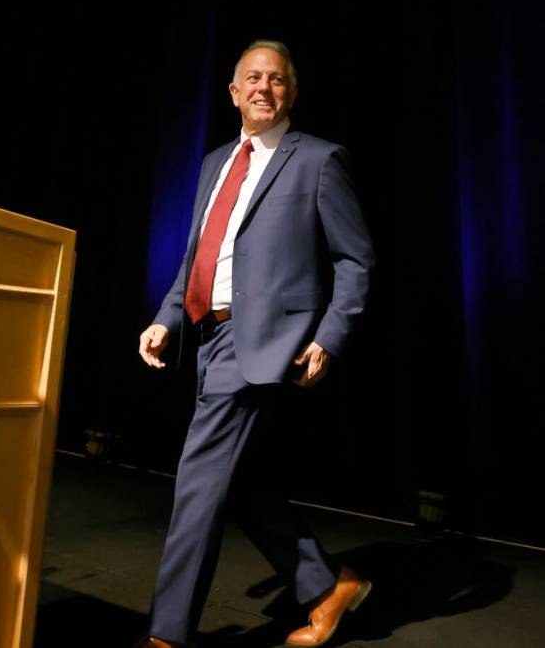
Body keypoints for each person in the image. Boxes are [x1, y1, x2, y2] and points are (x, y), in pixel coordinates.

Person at [135, 39, 375, 648]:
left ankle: (167, 636)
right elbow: (198, 254)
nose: (264, 87)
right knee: (237, 483)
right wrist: (168, 316)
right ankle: (329, 587)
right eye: (252, 78)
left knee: (197, 484)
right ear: (234, 92)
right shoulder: (217, 160)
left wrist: (330, 335)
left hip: (263, 343)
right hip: (208, 337)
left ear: (290, 91)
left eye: (276, 79)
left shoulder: (320, 159)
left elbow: (355, 259)